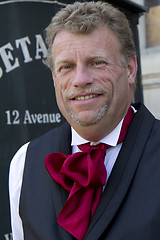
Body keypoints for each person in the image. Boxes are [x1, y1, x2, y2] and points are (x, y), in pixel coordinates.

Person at [9, 1, 160, 240]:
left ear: (130, 69)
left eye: (96, 62)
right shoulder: (23, 163)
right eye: (67, 66)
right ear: (54, 79)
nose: (80, 79)